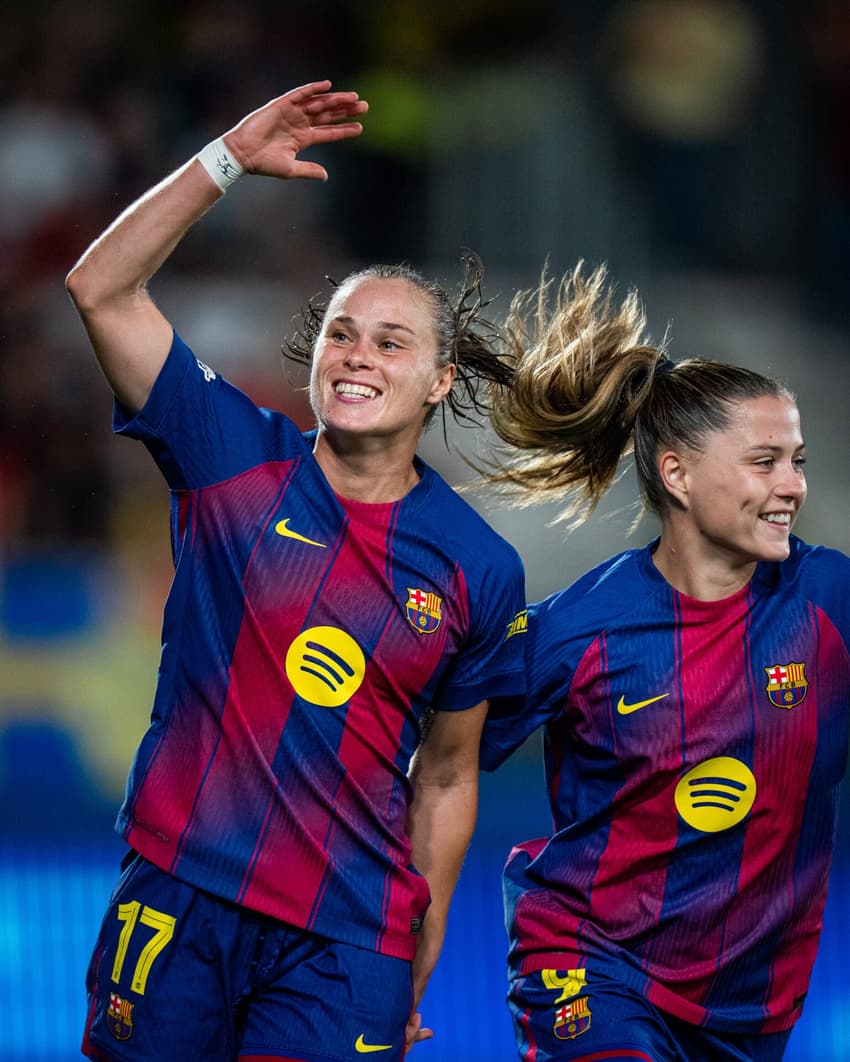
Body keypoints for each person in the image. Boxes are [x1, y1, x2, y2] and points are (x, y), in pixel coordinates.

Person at [65, 80, 527, 1062]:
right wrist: (224, 158)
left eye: (391, 341)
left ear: (441, 381)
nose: (358, 356)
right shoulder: (230, 454)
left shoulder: (476, 567)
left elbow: (445, 776)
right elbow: (100, 288)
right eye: (341, 334)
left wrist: (423, 946)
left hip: (344, 942)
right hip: (179, 896)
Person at [479, 262, 850, 1062]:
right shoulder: (578, 630)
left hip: (752, 1009)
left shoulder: (830, 603)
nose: (792, 486)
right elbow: (433, 763)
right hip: (591, 972)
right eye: (764, 462)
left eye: (798, 459)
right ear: (677, 474)